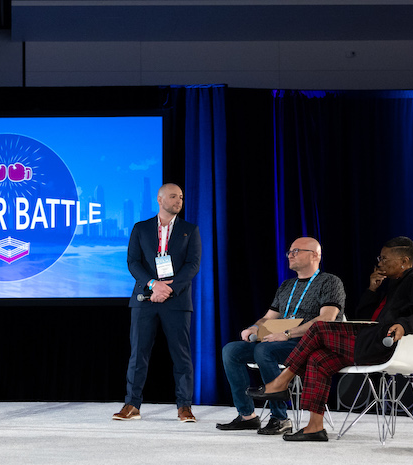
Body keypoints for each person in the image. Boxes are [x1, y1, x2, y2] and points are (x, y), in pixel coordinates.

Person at [247, 236, 413, 442]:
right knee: (318, 359)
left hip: (384, 346)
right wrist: (372, 290)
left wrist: (404, 325)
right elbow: (365, 317)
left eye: (384, 259)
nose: (380, 263)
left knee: (319, 328)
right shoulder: (392, 285)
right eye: (380, 258)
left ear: (404, 261)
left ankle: (281, 382)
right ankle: (314, 427)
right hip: (367, 341)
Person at [217, 237, 346, 435]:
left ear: (314, 255)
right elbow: (269, 317)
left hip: (311, 343)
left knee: (265, 350)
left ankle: (280, 418)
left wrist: (287, 334)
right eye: (290, 252)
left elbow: (326, 318)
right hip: (281, 341)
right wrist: (254, 328)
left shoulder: (329, 282)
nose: (290, 255)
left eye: (296, 251)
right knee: (231, 350)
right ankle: (247, 416)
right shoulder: (287, 285)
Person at [113, 183, 202, 423]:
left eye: (181, 197)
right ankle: (132, 404)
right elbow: (133, 262)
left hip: (177, 300)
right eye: (173, 196)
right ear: (160, 199)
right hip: (145, 299)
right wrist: (154, 284)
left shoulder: (190, 230)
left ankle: (184, 406)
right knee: (138, 354)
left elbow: (193, 264)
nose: (178, 200)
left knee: (181, 355)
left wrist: (168, 288)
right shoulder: (140, 228)